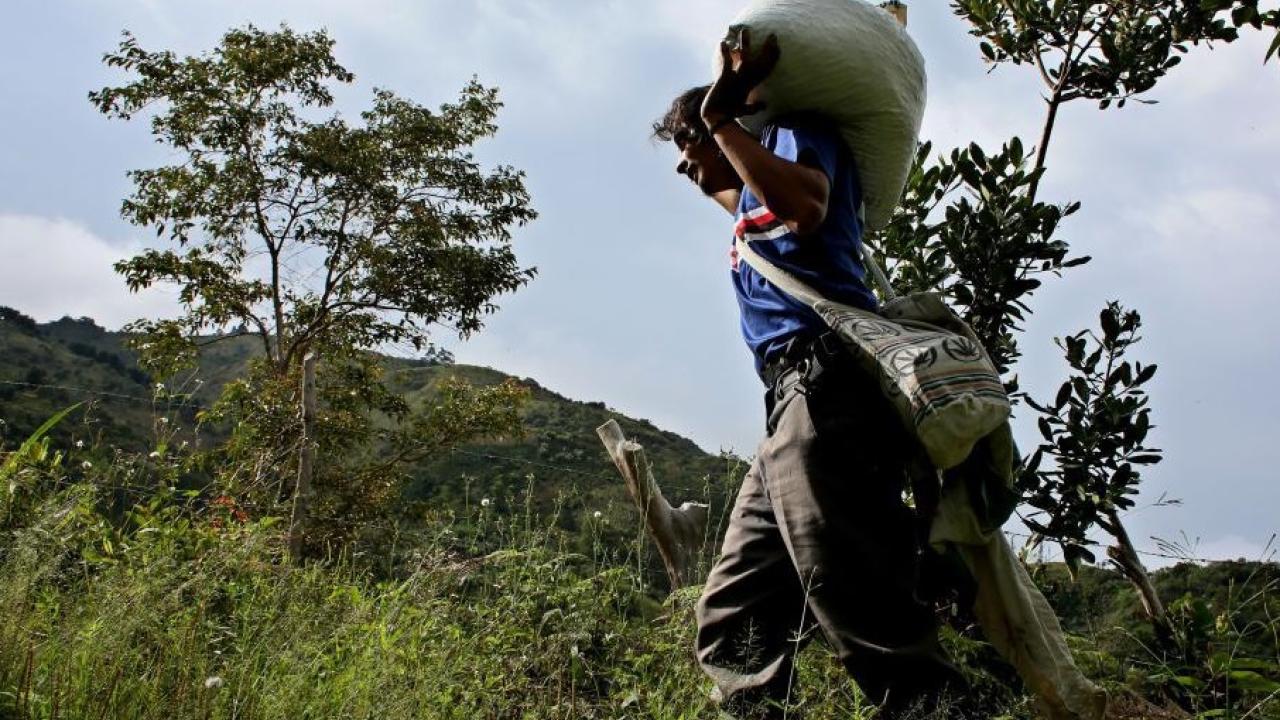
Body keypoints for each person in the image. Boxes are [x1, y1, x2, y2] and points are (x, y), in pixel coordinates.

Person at [652, 28, 964, 719]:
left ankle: (939, 709)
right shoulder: (749, 208)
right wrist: (715, 129)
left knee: (858, 596)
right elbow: (735, 194)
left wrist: (718, 119)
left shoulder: (800, 136)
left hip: (828, 389)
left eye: (683, 145)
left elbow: (805, 208)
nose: (681, 164)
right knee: (735, 620)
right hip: (790, 408)